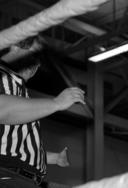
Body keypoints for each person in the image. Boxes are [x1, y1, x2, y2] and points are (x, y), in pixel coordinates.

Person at [0, 36, 85, 188]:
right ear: (14, 48)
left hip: (22, 177)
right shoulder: (3, 76)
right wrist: (56, 103)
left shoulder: (18, 88)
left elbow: (11, 143)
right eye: (33, 54)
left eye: (39, 60)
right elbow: (2, 110)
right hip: (8, 175)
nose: (36, 64)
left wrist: (52, 158)